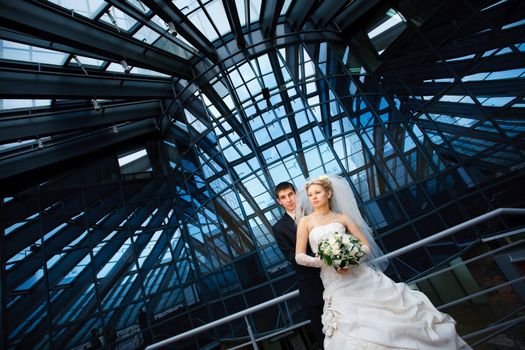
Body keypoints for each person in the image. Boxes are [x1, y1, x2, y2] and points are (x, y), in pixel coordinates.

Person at [294, 174, 472, 349]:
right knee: (347, 324)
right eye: (310, 195)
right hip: (335, 281)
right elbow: (299, 256)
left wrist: (348, 261)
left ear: (329, 193)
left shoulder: (343, 218)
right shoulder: (305, 222)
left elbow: (365, 247)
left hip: (360, 275)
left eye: (317, 193)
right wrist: (327, 262)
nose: (313, 198)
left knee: (391, 317)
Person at [272, 181, 325, 349]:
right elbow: (290, 256)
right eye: (283, 197)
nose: (288, 200)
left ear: (296, 194)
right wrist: (317, 259)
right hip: (310, 283)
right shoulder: (278, 228)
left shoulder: (313, 212)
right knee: (322, 329)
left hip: (335, 273)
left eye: (290, 195)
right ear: (279, 201)